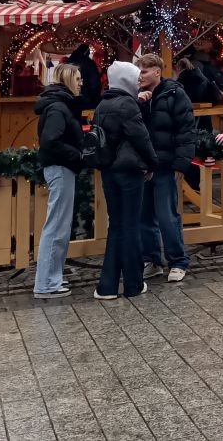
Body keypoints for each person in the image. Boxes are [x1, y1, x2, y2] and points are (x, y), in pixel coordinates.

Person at [94, 61, 157, 300]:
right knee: (130, 226)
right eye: (135, 78)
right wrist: (152, 164)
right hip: (130, 172)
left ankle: (107, 286)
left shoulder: (102, 105)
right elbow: (141, 138)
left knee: (117, 226)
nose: (138, 82)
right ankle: (133, 283)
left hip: (109, 171)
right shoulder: (128, 105)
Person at [137, 54, 196, 283]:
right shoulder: (138, 96)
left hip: (165, 164)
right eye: (139, 71)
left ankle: (178, 261)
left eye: (144, 71)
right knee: (144, 217)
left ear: (157, 71)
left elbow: (186, 130)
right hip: (143, 166)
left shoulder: (175, 94)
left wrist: (181, 163)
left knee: (167, 216)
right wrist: (139, 104)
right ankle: (152, 260)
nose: (140, 76)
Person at [33, 63, 85, 298]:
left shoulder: (60, 105)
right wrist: (77, 155)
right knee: (57, 225)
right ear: (68, 80)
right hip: (61, 167)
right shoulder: (58, 107)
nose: (81, 83)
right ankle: (46, 282)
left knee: (59, 225)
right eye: (78, 78)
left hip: (61, 167)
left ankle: (53, 276)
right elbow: (50, 141)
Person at [65, 43, 102, 109]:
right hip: (86, 100)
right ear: (86, 52)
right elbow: (94, 83)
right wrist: (96, 98)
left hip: (69, 100)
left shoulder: (68, 62)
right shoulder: (89, 63)